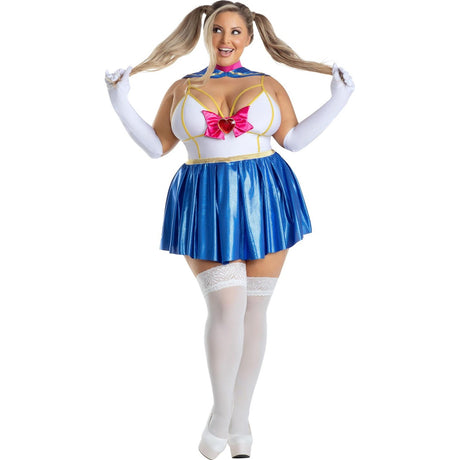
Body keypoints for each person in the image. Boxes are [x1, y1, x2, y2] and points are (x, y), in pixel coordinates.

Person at [105, 1, 354, 458]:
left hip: (265, 194)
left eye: (236, 31)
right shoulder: (181, 87)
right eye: (218, 30)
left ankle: (240, 423)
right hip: (204, 199)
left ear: (249, 37)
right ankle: (223, 415)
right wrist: (119, 102)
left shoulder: (268, 84)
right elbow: (158, 147)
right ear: (206, 33)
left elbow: (294, 140)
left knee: (254, 311)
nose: (225, 40)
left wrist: (339, 99)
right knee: (226, 306)